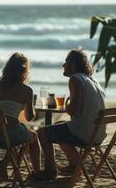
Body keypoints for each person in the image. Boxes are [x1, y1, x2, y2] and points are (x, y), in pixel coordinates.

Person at [37, 48, 106, 180]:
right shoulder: (92, 80)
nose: (63, 65)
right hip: (98, 134)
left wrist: (66, 106)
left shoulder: (75, 79)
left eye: (66, 62)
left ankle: (50, 171)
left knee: (42, 132)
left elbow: (75, 111)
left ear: (73, 65)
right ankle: (75, 166)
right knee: (59, 126)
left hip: (84, 133)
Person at [0, 52, 41, 179]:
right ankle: (37, 173)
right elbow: (29, 117)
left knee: (15, 132)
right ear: (24, 70)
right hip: (9, 135)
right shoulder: (26, 90)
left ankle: (6, 164)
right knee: (33, 137)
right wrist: (28, 106)